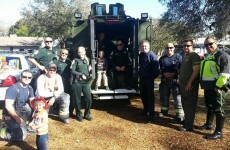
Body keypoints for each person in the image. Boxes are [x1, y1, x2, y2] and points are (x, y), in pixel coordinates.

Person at [198, 37, 230, 139]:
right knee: (210, 106)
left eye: (210, 44)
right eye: (206, 45)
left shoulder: (222, 55)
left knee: (219, 109)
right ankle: (209, 124)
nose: (208, 46)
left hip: (217, 88)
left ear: (216, 43)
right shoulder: (208, 56)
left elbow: (225, 74)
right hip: (208, 87)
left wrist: (218, 86)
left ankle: (219, 132)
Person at [0, 69, 34, 141]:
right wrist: (19, 120)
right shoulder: (13, 89)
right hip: (10, 115)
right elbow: (8, 106)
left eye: (29, 77)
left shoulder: (30, 88)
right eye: (25, 77)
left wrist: (38, 113)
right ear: (20, 77)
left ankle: (23, 126)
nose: (27, 79)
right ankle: (2, 129)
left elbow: (33, 102)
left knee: (29, 108)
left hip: (19, 112)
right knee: (20, 136)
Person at [159, 43, 184, 123]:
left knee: (177, 98)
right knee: (164, 96)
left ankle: (179, 115)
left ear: (174, 48)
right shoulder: (162, 59)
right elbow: (159, 69)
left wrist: (174, 74)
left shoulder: (179, 57)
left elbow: (182, 69)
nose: (169, 49)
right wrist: (163, 73)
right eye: (167, 48)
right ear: (165, 49)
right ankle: (164, 111)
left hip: (175, 81)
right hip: (164, 81)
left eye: (171, 47)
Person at [179, 39, 200, 132]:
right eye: (184, 46)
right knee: (184, 102)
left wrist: (189, 82)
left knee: (189, 104)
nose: (186, 47)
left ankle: (189, 126)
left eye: (188, 45)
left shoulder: (194, 55)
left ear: (192, 46)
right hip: (183, 84)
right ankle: (187, 121)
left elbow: (196, 70)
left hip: (189, 85)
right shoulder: (186, 56)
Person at [139, 40, 160, 123]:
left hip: (149, 79)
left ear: (148, 46)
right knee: (143, 95)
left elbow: (157, 70)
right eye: (142, 46)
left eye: (145, 46)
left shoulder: (152, 55)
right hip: (142, 79)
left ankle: (151, 115)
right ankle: (145, 110)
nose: (144, 47)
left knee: (150, 97)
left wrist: (152, 78)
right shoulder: (141, 55)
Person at [71, 46, 93, 122]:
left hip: (86, 82)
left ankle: (87, 114)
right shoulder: (75, 60)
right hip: (77, 82)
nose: (80, 53)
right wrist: (80, 74)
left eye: (81, 51)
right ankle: (79, 115)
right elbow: (72, 71)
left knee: (89, 99)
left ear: (85, 52)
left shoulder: (88, 60)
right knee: (78, 100)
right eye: (79, 52)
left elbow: (89, 69)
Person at [56, 49, 74, 117]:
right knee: (61, 98)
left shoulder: (70, 62)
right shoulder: (57, 63)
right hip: (61, 83)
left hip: (69, 83)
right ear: (60, 54)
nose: (64, 55)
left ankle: (70, 112)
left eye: (66, 54)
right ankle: (60, 112)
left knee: (71, 98)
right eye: (63, 53)